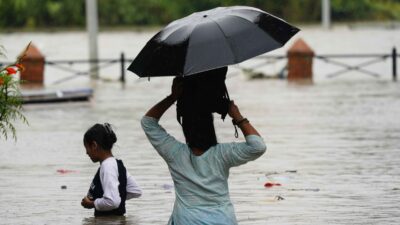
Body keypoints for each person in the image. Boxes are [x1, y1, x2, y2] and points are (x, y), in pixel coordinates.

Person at [141, 78, 266, 225]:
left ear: (185, 129)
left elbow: (148, 122)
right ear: (210, 127)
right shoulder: (222, 154)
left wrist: (173, 97)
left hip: (186, 220)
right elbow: (258, 146)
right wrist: (237, 116)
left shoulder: (175, 153)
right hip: (223, 220)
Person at [81, 123, 142, 216]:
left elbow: (112, 202)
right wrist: (116, 194)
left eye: (87, 148)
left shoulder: (107, 167)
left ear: (94, 145)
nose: (86, 152)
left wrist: (91, 204)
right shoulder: (117, 164)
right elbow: (135, 191)